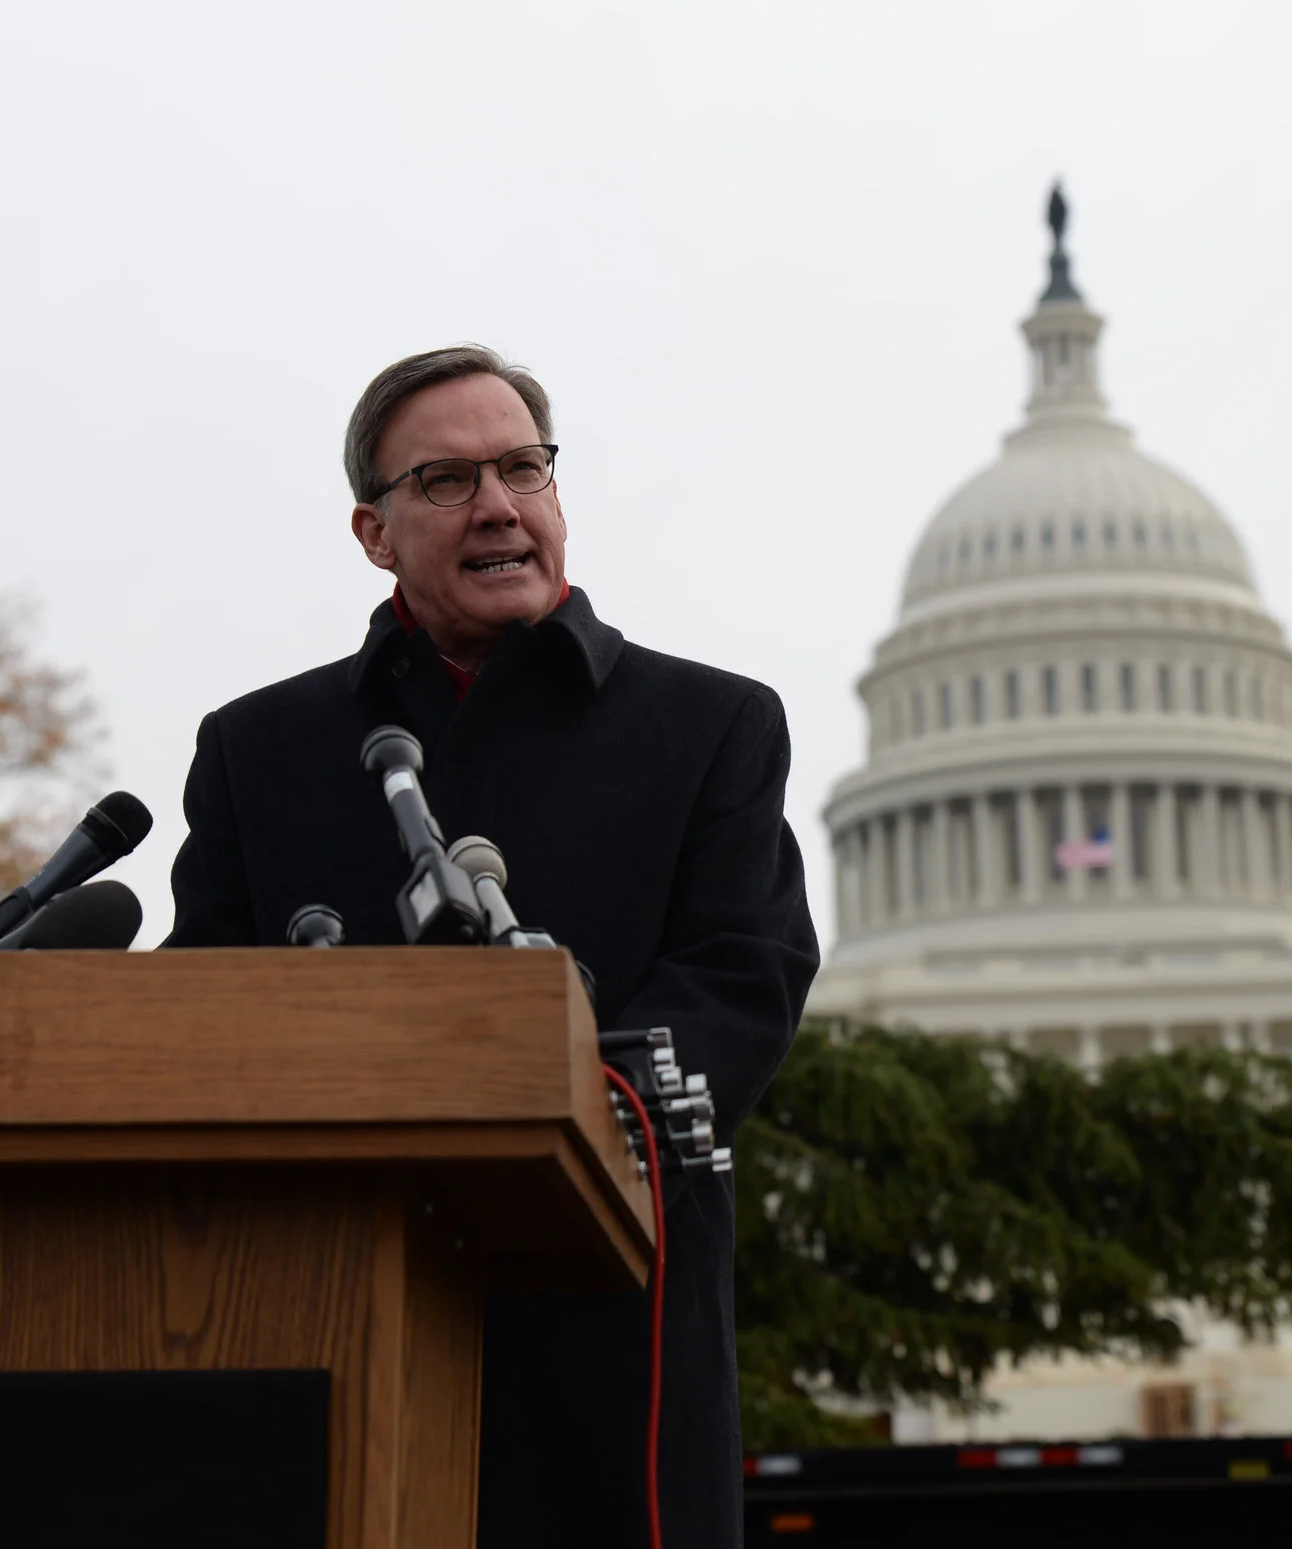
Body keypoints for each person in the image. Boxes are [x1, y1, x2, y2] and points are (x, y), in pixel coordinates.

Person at [163, 345, 820, 1547]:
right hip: (318, 1302)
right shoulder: (257, 748)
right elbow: (197, 1014)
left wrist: (567, 1104)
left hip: (608, 1303)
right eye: (449, 480)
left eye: (523, 467)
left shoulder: (711, 722)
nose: (499, 506)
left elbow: (746, 970)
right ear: (375, 530)